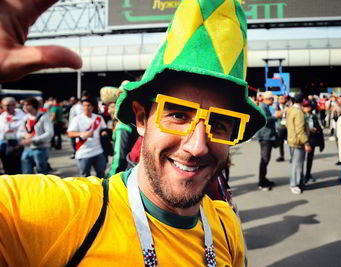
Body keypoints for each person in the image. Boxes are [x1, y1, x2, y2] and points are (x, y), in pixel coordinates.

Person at [0, 1, 262, 265]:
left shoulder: (226, 225)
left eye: (219, 124)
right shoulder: (66, 213)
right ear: (141, 119)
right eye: (178, 115)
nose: (197, 147)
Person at [67, 97, 107, 178]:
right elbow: (70, 133)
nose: (86, 108)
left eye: (88, 105)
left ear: (92, 107)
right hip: (83, 153)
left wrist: (104, 133)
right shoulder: (77, 119)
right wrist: (82, 134)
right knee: (84, 178)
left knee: (101, 176)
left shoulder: (99, 118)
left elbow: (104, 129)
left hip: (98, 152)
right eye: (84, 105)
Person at [18, 97, 53, 174]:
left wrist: (33, 139)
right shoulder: (25, 118)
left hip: (40, 148)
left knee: (41, 173)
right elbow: (19, 132)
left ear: (34, 105)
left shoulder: (44, 117)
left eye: (27, 105)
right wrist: (24, 135)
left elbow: (49, 133)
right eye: (24, 105)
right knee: (26, 172)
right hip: (27, 148)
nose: (25, 107)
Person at [287, 93, 312, 194]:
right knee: (297, 165)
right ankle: (294, 184)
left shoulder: (291, 109)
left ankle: (298, 183)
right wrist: (306, 142)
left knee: (295, 164)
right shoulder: (299, 112)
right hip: (298, 142)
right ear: (302, 101)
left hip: (292, 140)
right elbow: (300, 130)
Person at [256, 91, 278, 190]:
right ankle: (261, 182)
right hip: (265, 137)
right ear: (266, 99)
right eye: (271, 99)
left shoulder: (264, 107)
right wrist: (275, 117)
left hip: (267, 136)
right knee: (264, 159)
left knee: (265, 159)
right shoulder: (262, 107)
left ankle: (263, 179)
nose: (272, 101)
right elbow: (264, 120)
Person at [0, 97, 25, 174]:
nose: (6, 108)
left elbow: (23, 130)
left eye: (8, 105)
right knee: (7, 168)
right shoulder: (2, 116)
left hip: (17, 144)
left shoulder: (22, 115)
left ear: (14, 105)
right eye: (3, 106)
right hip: (4, 144)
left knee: (17, 169)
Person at [275, 95, 287, 162]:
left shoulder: (287, 106)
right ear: (279, 100)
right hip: (280, 126)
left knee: (290, 142)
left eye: (283, 99)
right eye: (281, 99)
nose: (282, 100)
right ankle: (282, 156)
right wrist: (283, 111)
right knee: (281, 143)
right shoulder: (277, 107)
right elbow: (276, 115)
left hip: (287, 126)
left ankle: (292, 156)